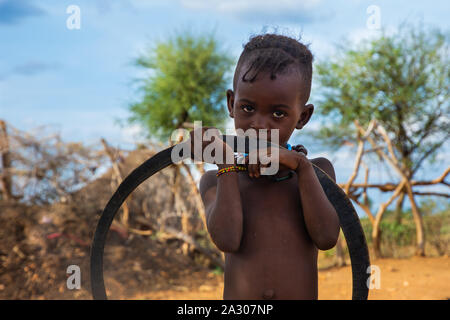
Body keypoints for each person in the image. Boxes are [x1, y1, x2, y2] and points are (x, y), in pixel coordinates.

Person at [193, 33, 340, 300]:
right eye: (247, 108)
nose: (259, 124)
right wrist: (226, 164)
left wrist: (302, 168)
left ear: (303, 117)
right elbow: (227, 239)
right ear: (231, 104)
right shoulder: (216, 180)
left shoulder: (317, 171)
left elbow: (327, 237)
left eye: (278, 113)